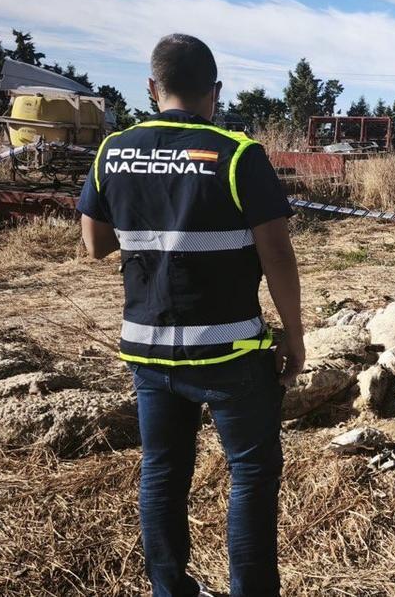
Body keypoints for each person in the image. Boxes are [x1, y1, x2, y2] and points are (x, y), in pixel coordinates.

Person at [77, 33, 304, 597]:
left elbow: (95, 245)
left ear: (151, 88)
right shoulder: (239, 154)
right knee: (251, 473)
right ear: (215, 91)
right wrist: (294, 337)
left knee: (162, 470)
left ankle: (170, 589)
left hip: (149, 352)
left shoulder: (114, 151)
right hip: (231, 352)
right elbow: (277, 254)